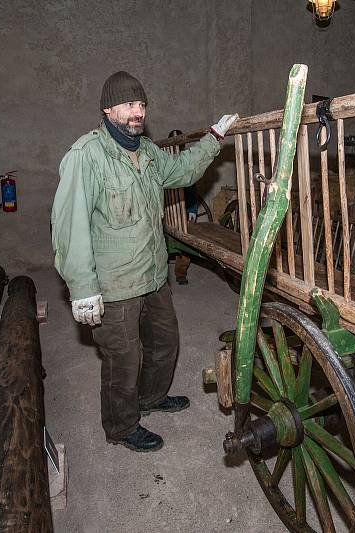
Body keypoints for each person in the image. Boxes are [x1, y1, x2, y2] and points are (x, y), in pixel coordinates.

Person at [51, 71, 237, 452]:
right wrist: (83, 289)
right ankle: (121, 426)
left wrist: (213, 139)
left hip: (153, 274)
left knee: (165, 342)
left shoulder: (149, 152)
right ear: (108, 109)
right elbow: (70, 227)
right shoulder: (86, 156)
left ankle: (151, 399)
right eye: (129, 104)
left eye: (141, 104)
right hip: (114, 282)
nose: (137, 112)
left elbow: (183, 171)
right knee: (124, 358)